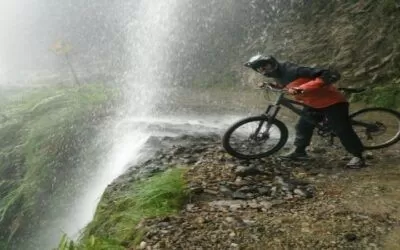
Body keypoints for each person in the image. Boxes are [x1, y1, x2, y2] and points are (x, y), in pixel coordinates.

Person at [244, 54, 365, 168]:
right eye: (260, 69)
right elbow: (289, 87)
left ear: (272, 62)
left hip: (332, 102)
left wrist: (302, 89)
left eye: (265, 66)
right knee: (303, 126)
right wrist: (271, 85)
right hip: (312, 104)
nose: (264, 70)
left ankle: (358, 156)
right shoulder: (279, 75)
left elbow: (329, 74)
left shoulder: (294, 70)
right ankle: (299, 152)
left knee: (341, 129)